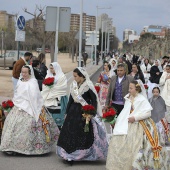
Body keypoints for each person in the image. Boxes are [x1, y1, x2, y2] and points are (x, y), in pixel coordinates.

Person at [106, 81, 169, 170]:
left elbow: (148, 113)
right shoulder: (129, 97)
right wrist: (119, 121)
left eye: (131, 88)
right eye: (129, 88)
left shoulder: (141, 99)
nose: (129, 90)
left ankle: (139, 165)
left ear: (137, 89)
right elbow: (125, 111)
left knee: (138, 145)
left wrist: (135, 118)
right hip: (128, 123)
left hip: (140, 124)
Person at [0, 65, 59, 155]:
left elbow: (36, 96)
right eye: (22, 72)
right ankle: (12, 147)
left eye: (25, 72)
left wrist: (32, 106)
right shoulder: (20, 81)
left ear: (30, 73)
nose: (23, 74)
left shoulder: (33, 82)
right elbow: (17, 94)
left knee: (31, 125)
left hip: (32, 106)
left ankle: (33, 148)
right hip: (19, 106)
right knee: (14, 125)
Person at [57, 67, 108, 163]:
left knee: (83, 133)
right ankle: (69, 154)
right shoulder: (74, 85)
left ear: (82, 76)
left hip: (84, 113)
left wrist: (91, 113)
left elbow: (94, 100)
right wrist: (67, 112)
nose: (74, 78)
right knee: (70, 133)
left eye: (75, 76)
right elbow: (71, 100)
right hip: (73, 112)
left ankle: (81, 154)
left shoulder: (88, 85)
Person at [41, 62, 68, 129]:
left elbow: (62, 87)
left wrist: (52, 89)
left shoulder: (62, 76)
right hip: (49, 98)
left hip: (58, 98)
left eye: (52, 68)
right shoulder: (48, 75)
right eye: (50, 68)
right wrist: (49, 88)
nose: (51, 70)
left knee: (58, 116)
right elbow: (44, 86)